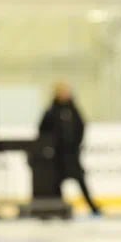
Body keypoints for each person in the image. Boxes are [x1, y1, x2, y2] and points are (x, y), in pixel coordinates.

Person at [40, 82, 101, 216]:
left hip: (72, 154)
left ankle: (93, 207)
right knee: (56, 182)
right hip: (57, 156)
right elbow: (43, 132)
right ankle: (59, 207)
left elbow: (81, 127)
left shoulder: (74, 110)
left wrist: (76, 144)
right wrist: (51, 148)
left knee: (81, 181)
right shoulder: (51, 112)